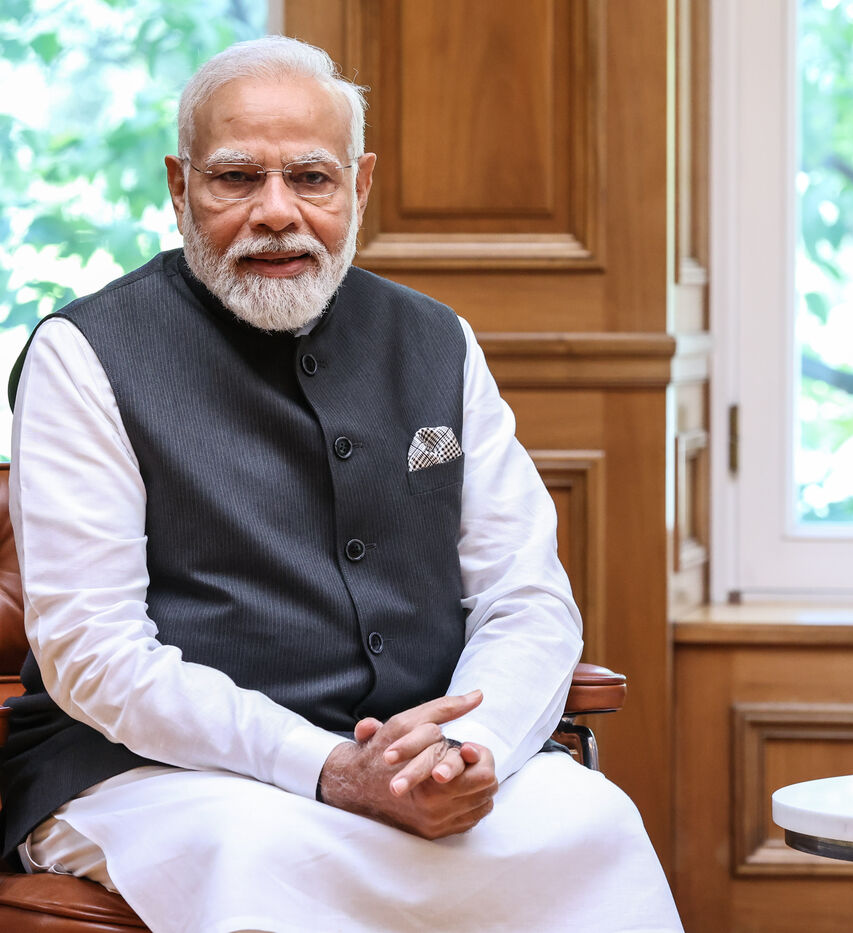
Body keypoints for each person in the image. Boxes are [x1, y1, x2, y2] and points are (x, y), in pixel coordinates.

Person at [0, 35, 683, 933]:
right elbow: (94, 653)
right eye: (236, 178)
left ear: (358, 186)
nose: (276, 211)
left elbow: (527, 598)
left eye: (310, 178)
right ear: (179, 186)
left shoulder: (437, 341)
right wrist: (326, 767)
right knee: (265, 852)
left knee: (591, 822)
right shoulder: (83, 354)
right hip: (158, 772)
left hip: (413, 753)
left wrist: (462, 748)